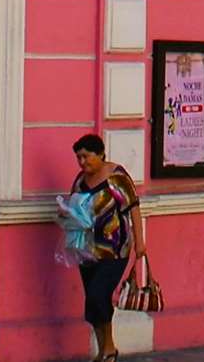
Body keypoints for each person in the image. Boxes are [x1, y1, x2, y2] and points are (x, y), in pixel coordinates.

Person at [68, 132, 145, 361]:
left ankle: (109, 347)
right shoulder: (80, 181)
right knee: (92, 302)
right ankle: (103, 350)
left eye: (86, 156)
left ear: (100, 154)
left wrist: (140, 242)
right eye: (79, 158)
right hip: (86, 249)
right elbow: (73, 208)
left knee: (98, 294)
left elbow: (133, 208)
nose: (82, 162)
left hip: (115, 248)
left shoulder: (117, 176)